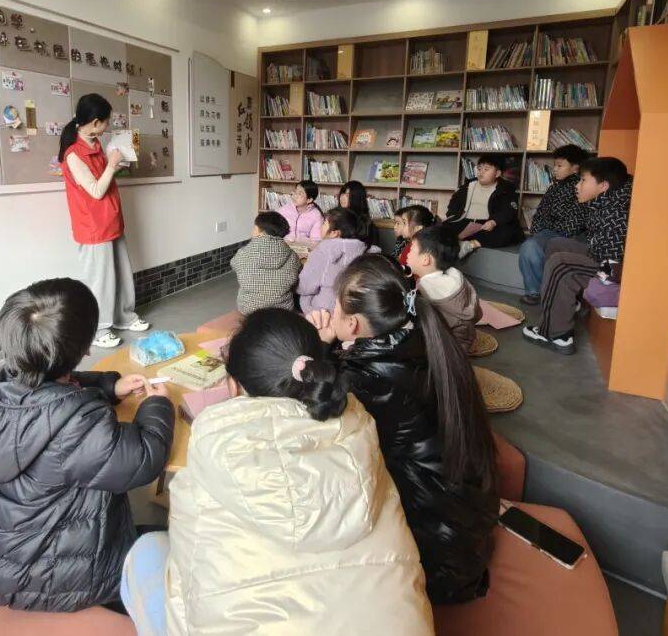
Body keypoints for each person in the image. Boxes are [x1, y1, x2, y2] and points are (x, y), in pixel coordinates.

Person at [120, 308, 434, 636]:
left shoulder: (215, 442)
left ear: (233, 386)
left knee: (148, 551)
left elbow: (188, 558)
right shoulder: (359, 428)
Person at [0, 278, 174, 612]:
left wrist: (110, 387)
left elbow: (55, 394)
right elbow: (144, 459)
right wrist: (157, 406)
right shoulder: (79, 424)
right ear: (85, 349)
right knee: (175, 548)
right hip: (43, 575)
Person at [306, 255, 499, 605]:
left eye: (335, 307)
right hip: (464, 521)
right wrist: (334, 346)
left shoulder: (366, 381)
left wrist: (320, 346)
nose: (330, 312)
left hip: (436, 558)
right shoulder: (424, 338)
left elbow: (319, 418)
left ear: (352, 324)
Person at [59, 93, 150, 349]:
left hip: (111, 221)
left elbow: (104, 181)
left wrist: (115, 166)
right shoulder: (74, 154)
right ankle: (99, 329)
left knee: (121, 274)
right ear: (95, 122)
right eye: (106, 121)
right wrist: (111, 166)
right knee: (100, 280)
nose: (108, 125)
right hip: (93, 227)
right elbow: (96, 191)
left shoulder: (95, 144)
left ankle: (124, 317)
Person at [523, 157, 633, 355]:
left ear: (603, 185)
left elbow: (613, 265)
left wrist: (591, 279)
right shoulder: (606, 199)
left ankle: (556, 334)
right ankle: (566, 303)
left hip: (612, 269)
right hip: (601, 255)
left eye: (583, 180)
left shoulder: (615, 213)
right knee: (556, 244)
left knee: (561, 264)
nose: (577, 185)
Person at [518, 145, 591, 304]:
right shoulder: (554, 187)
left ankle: (546, 294)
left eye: (560, 165)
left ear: (575, 168)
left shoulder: (582, 187)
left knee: (540, 248)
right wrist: (538, 231)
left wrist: (547, 230)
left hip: (573, 234)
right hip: (550, 232)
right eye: (554, 165)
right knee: (529, 246)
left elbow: (576, 220)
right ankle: (535, 292)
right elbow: (541, 212)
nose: (555, 169)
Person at [408, 224, 482, 352]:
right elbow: (477, 312)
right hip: (466, 338)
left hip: (444, 348)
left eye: (411, 250)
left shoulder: (424, 288)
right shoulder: (456, 276)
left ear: (425, 260)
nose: (407, 255)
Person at [297, 207, 378, 314]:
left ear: (335, 233)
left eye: (324, 223)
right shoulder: (367, 250)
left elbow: (305, 287)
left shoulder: (324, 250)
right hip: (355, 311)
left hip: (324, 311)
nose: (321, 226)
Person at [444, 154, 522, 258]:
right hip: (466, 222)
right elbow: (453, 204)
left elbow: (509, 211)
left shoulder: (506, 189)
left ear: (497, 173)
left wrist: (494, 221)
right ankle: (460, 242)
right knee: (442, 229)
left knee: (507, 230)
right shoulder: (468, 186)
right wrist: (452, 216)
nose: (481, 172)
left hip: (488, 224)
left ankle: (470, 244)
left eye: (486, 169)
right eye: (479, 168)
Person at [230, 211, 301, 314]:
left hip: (249, 308)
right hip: (282, 309)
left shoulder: (243, 253)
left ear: (261, 231)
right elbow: (296, 277)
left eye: (254, 227)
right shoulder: (293, 256)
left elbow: (234, 264)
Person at [392, 203, 436, 274]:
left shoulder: (414, 248)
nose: (401, 226)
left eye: (404, 223)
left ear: (418, 228)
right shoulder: (412, 244)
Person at [337, 180, 376, 247]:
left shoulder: (365, 224)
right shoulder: (336, 218)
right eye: (342, 194)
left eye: (347, 195)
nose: (342, 198)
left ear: (357, 198)